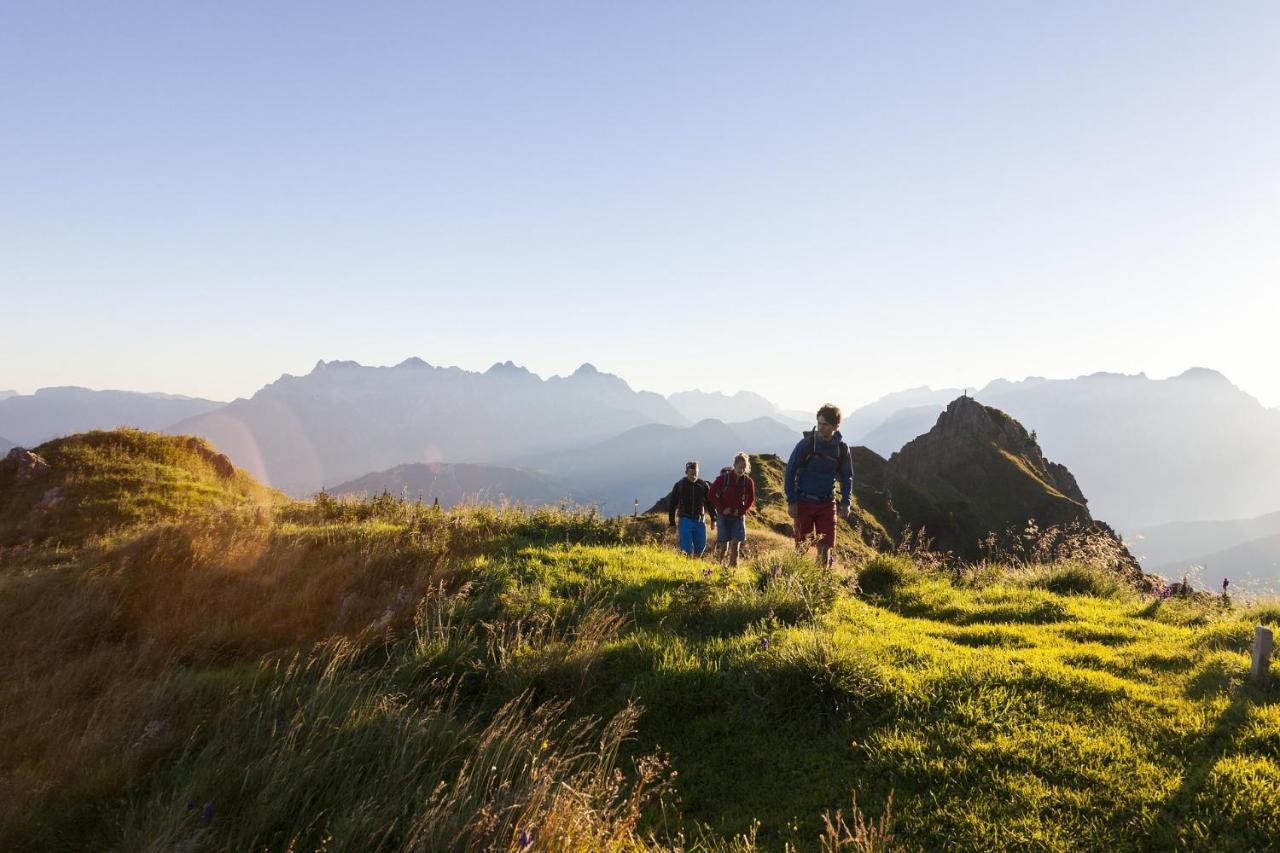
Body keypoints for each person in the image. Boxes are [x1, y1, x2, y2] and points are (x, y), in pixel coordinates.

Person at [784, 403, 853, 566]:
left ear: (835, 426)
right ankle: (796, 581)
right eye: (819, 423)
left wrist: (846, 503)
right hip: (803, 502)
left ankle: (819, 585)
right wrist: (791, 501)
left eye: (825, 424)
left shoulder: (841, 449)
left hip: (827, 504)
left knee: (825, 547)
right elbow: (790, 471)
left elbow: (846, 476)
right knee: (802, 547)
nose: (820, 427)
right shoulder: (806, 444)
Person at [710, 452, 756, 567]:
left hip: (738, 517)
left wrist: (740, 512)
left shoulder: (748, 482)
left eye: (744, 468)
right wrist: (722, 509)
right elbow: (711, 494)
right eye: (740, 467)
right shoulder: (722, 479)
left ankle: (733, 570)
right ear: (734, 465)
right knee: (724, 546)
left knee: (735, 545)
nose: (742, 470)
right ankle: (720, 564)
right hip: (723, 516)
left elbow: (751, 500)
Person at [667, 461, 716, 557]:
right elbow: (672, 505)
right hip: (685, 520)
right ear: (686, 472)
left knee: (701, 546)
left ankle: (695, 564)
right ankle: (687, 565)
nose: (693, 476)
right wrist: (672, 523)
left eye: (695, 474)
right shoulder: (679, 485)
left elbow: (710, 503)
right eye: (691, 473)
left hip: (700, 521)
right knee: (686, 549)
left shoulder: (703, 485)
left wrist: (714, 519)